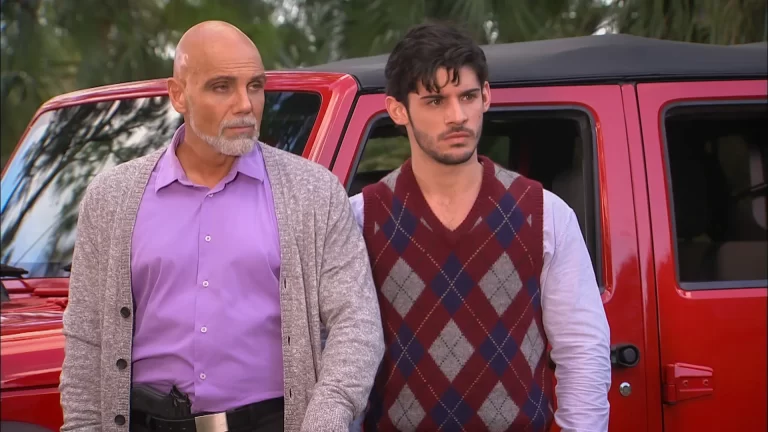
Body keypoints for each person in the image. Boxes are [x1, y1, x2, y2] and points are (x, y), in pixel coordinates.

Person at [59, 20, 384, 432]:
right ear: (179, 94)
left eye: (255, 86)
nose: (245, 104)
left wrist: (325, 420)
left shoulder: (314, 193)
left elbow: (357, 323)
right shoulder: (111, 198)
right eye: (221, 87)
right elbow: (86, 338)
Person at [349, 23, 611, 431]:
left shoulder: (545, 213)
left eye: (468, 97)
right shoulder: (360, 218)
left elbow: (583, 349)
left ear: (486, 96)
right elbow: (340, 361)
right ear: (398, 110)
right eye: (435, 101)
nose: (457, 116)